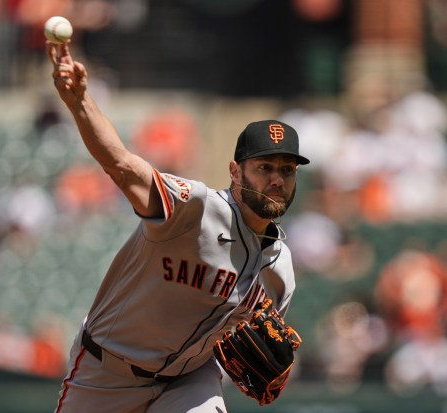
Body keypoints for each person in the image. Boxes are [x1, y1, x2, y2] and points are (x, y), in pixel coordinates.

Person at [47, 41, 310, 413]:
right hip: (107, 371)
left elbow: (251, 349)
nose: (277, 180)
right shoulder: (194, 207)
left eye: (286, 170)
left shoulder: (280, 269)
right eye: (264, 167)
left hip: (189, 380)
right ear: (235, 172)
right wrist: (80, 101)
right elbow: (122, 166)